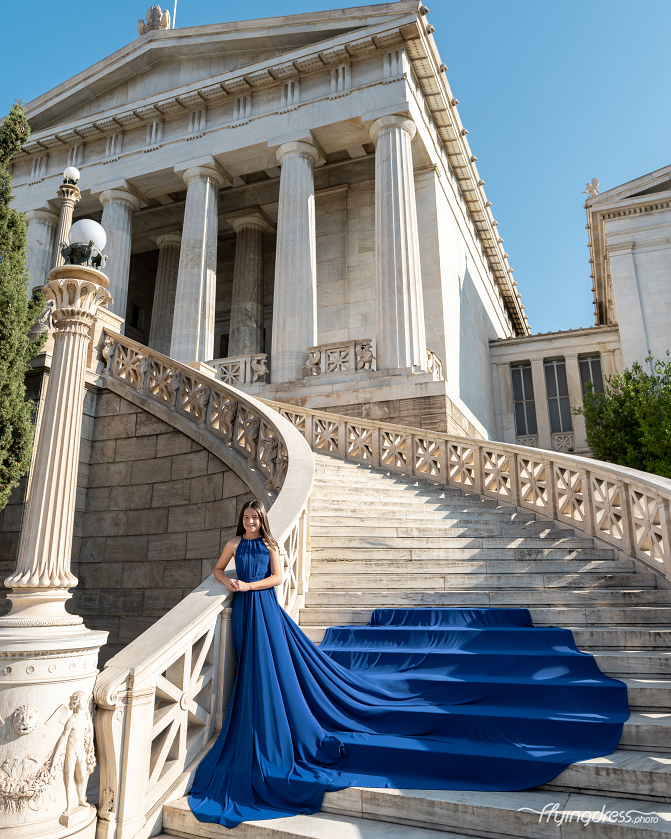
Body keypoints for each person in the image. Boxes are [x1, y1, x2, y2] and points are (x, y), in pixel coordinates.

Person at [189, 500, 628, 829]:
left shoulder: (269, 544)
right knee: (246, 662)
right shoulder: (233, 543)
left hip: (263, 605)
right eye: (246, 517)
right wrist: (230, 582)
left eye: (254, 517)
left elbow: (279, 578)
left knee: (267, 666)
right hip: (244, 610)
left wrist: (250, 585)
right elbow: (216, 569)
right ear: (241, 519)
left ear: (262, 519)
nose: (250, 521)